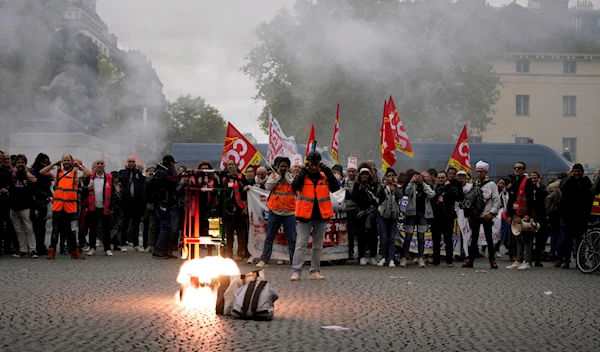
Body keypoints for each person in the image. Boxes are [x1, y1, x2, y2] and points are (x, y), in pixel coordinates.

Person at [290, 151, 339, 281]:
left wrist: (327, 170)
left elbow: (335, 187)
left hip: (321, 216)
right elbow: (294, 186)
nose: (313, 167)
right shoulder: (303, 176)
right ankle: (296, 271)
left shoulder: (324, 176)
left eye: (316, 164)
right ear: (307, 164)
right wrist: (302, 171)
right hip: (305, 215)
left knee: (318, 246)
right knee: (301, 244)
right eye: (311, 164)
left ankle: (315, 271)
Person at [40, 154, 91, 259]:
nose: (66, 162)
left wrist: (79, 166)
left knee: (72, 231)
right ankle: (52, 250)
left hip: (71, 208)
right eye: (64, 160)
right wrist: (54, 164)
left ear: (72, 162)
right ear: (62, 162)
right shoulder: (57, 173)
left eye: (68, 160)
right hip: (58, 207)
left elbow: (88, 174)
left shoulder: (77, 173)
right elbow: (42, 172)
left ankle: (74, 251)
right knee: (55, 231)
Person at [257, 157, 296, 268]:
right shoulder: (273, 176)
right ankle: (264, 259)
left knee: (292, 238)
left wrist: (288, 178)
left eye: (285, 166)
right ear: (277, 167)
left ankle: (294, 261)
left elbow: (296, 187)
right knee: (269, 237)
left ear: (289, 168)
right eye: (281, 166)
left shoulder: (293, 177)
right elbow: (268, 187)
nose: (283, 168)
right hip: (275, 211)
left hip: (290, 212)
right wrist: (278, 177)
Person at [462, 161, 500, 269]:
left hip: (486, 215)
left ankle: (492, 261)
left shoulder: (491, 185)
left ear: (486, 172)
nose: (479, 174)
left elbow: (496, 200)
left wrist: (491, 213)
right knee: (473, 239)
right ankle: (471, 260)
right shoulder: (474, 185)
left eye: (481, 172)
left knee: (489, 238)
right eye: (478, 171)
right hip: (476, 216)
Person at [555, 163, 592, 269]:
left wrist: (585, 178)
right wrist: (570, 177)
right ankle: (566, 261)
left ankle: (580, 262)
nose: (577, 173)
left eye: (579, 171)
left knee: (581, 241)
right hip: (568, 216)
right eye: (575, 171)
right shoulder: (567, 181)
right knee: (567, 240)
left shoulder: (585, 181)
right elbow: (563, 188)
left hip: (581, 216)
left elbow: (590, 191)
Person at [400, 171, 435, 268]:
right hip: (411, 214)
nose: (418, 179)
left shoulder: (426, 186)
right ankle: (404, 257)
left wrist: (423, 183)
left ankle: (421, 257)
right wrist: (412, 181)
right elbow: (406, 192)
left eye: (421, 177)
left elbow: (432, 194)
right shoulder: (412, 186)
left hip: (422, 214)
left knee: (421, 237)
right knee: (408, 236)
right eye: (417, 177)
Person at [505, 161, 536, 270]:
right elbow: (511, 199)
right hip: (515, 214)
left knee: (526, 238)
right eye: (515, 167)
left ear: (524, 170)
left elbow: (531, 200)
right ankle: (519, 260)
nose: (517, 169)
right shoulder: (514, 181)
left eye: (519, 168)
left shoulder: (527, 182)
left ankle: (527, 261)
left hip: (524, 215)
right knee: (517, 238)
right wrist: (509, 214)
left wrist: (528, 214)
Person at [9, 154, 38, 258]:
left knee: (28, 228)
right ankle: (23, 249)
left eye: (22, 163)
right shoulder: (11, 173)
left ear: (25, 164)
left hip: (25, 205)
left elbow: (34, 180)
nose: (20, 164)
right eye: (18, 162)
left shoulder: (29, 173)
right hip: (13, 205)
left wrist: (25, 171)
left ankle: (33, 249)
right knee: (18, 230)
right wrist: (13, 172)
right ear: (15, 164)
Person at [85, 158, 115, 256]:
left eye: (101, 163)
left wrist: (111, 206)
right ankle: (92, 247)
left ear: (104, 165)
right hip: (92, 207)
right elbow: (85, 191)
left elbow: (113, 193)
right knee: (92, 228)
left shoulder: (109, 178)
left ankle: (107, 248)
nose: (99, 165)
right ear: (95, 165)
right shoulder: (90, 177)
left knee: (106, 229)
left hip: (105, 207)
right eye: (98, 163)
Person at [152, 155, 179, 259]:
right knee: (166, 227)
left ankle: (166, 250)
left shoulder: (162, 172)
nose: (173, 165)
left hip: (167, 203)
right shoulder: (162, 173)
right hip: (162, 203)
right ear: (169, 163)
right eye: (172, 163)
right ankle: (158, 249)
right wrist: (174, 171)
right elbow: (173, 181)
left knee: (169, 227)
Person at [223, 159, 249, 260]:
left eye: (231, 164)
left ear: (236, 166)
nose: (230, 167)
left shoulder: (241, 177)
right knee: (229, 233)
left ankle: (240, 253)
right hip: (228, 209)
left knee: (240, 232)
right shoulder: (224, 179)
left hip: (240, 209)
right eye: (228, 165)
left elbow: (246, 192)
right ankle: (229, 254)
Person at [431, 171, 459, 266]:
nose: (441, 179)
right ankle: (436, 260)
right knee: (436, 240)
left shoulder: (452, 188)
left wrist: (448, 187)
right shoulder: (435, 189)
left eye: (443, 177)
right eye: (439, 178)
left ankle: (449, 260)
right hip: (436, 218)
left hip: (448, 217)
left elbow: (456, 196)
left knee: (448, 240)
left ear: (446, 178)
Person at [376, 168, 403, 267]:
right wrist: (384, 185)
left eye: (392, 176)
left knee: (392, 237)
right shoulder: (381, 186)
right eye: (388, 176)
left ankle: (391, 258)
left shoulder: (396, 187)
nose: (390, 178)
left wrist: (395, 186)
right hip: (383, 214)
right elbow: (378, 194)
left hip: (393, 215)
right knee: (384, 236)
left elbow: (400, 196)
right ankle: (383, 257)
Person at [353, 166, 379, 266]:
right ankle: (361, 256)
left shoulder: (374, 184)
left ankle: (373, 255)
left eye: (366, 174)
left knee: (373, 235)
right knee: (361, 235)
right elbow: (354, 198)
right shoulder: (357, 184)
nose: (364, 176)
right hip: (361, 213)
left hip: (371, 213)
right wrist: (361, 190)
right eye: (363, 174)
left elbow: (377, 196)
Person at [118, 156, 146, 251]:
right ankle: (123, 244)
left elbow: (143, 180)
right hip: (126, 202)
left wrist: (137, 171)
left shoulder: (138, 173)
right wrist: (127, 170)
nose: (131, 163)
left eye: (132, 162)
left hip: (136, 202)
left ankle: (136, 244)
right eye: (129, 161)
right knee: (125, 224)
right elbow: (122, 179)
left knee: (136, 224)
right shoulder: (123, 172)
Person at [30, 153, 52, 255]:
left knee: (42, 226)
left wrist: (50, 196)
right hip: (36, 201)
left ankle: (41, 245)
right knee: (36, 226)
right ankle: (37, 246)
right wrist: (45, 195)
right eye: (43, 162)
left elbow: (48, 187)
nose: (44, 164)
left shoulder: (46, 174)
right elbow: (33, 188)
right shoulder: (33, 172)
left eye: (46, 163)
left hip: (44, 201)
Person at [529, 171, 548, 267]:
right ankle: (528, 259)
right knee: (529, 239)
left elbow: (544, 195)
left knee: (539, 240)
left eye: (535, 178)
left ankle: (537, 259)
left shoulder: (542, 188)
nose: (533, 180)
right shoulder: (527, 188)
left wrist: (538, 186)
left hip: (540, 217)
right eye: (531, 178)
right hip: (529, 216)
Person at [342, 159, 358, 260]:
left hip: (356, 210)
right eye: (350, 171)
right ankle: (349, 251)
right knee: (348, 233)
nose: (351, 173)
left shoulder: (359, 182)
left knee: (357, 232)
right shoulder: (343, 182)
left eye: (353, 171)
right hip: (346, 210)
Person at [142, 165, 157, 252]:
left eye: (153, 171)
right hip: (145, 207)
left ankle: (151, 244)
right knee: (146, 226)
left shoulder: (155, 182)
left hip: (153, 207)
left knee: (152, 227)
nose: (151, 173)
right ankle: (145, 244)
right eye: (150, 171)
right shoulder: (143, 181)